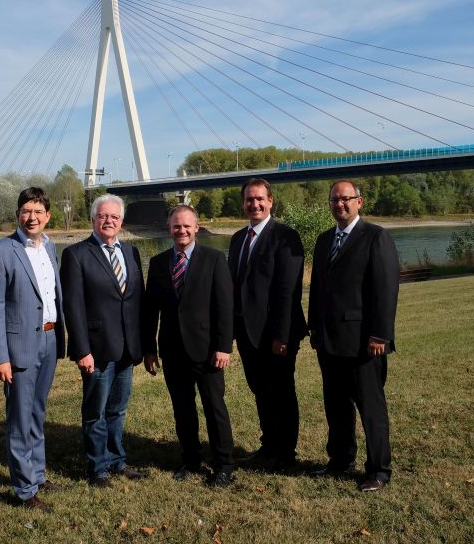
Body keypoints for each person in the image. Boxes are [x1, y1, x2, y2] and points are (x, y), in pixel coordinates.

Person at [308, 180, 400, 492]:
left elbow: (385, 290)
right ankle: (340, 459)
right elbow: (318, 290)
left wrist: (380, 335)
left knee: (371, 408)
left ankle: (379, 470)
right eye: (335, 200)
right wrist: (314, 329)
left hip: (364, 343)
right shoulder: (323, 241)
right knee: (336, 406)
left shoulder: (375, 236)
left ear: (359, 202)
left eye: (346, 199)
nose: (340, 205)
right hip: (329, 340)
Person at [0, 186, 66, 512]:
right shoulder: (0, 251)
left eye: (38, 212)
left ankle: (39, 474)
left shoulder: (50, 247)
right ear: (18, 214)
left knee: (37, 413)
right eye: (26, 211)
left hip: (49, 339)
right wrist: (0, 357)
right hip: (19, 347)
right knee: (19, 419)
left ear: (47, 216)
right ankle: (25, 490)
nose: (31, 217)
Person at [142, 204, 236, 487]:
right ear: (168, 228)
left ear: (197, 227)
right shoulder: (158, 263)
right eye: (175, 226)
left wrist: (223, 346)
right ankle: (191, 458)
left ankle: (224, 466)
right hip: (172, 349)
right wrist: (149, 348)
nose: (181, 231)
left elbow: (225, 306)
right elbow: (150, 311)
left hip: (207, 350)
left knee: (214, 407)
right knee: (182, 408)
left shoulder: (215, 258)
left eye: (186, 226)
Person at [60, 194, 146, 488]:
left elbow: (138, 302)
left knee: (118, 409)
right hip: (96, 349)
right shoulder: (76, 254)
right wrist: (82, 349)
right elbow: (73, 307)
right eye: (103, 216)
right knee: (95, 411)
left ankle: (117, 460)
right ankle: (98, 468)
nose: (108, 221)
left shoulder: (132, 252)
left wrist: (145, 345)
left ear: (121, 222)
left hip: (128, 347)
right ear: (93, 219)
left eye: (114, 217)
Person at [229, 178, 307, 472]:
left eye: (260, 199)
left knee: (282, 392)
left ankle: (286, 453)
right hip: (248, 334)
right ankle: (269, 445)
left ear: (271, 201)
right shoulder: (238, 239)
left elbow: (289, 290)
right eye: (249, 199)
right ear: (243, 203)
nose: (255, 204)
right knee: (261, 390)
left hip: (277, 334)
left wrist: (282, 334)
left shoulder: (285, 236)